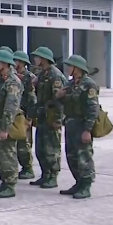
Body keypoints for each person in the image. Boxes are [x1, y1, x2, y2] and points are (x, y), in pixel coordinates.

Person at [0, 49, 25, 198]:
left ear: (5, 64)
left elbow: (11, 107)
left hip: (6, 123)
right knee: (0, 155)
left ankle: (10, 184)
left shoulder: (12, 82)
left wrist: (5, 128)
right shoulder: (1, 80)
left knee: (8, 154)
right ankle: (3, 182)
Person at [59, 55, 99, 199]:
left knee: (84, 156)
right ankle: (78, 182)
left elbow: (93, 109)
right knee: (72, 155)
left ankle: (86, 186)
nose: (67, 68)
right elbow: (66, 102)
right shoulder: (70, 84)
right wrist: (59, 96)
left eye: (70, 66)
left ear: (77, 68)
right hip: (71, 123)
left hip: (82, 124)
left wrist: (88, 129)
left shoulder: (89, 85)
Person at [30, 46, 67, 189]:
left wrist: (58, 119)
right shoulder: (42, 74)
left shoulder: (55, 75)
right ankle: (45, 174)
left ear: (44, 59)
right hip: (42, 117)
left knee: (51, 148)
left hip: (51, 117)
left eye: (37, 57)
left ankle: (52, 176)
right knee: (41, 149)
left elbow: (59, 100)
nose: (35, 59)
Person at [13, 50, 37, 180]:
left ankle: (28, 168)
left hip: (25, 114)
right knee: (17, 143)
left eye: (16, 60)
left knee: (24, 143)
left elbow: (32, 99)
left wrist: (29, 118)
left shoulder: (29, 77)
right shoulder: (14, 76)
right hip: (16, 114)